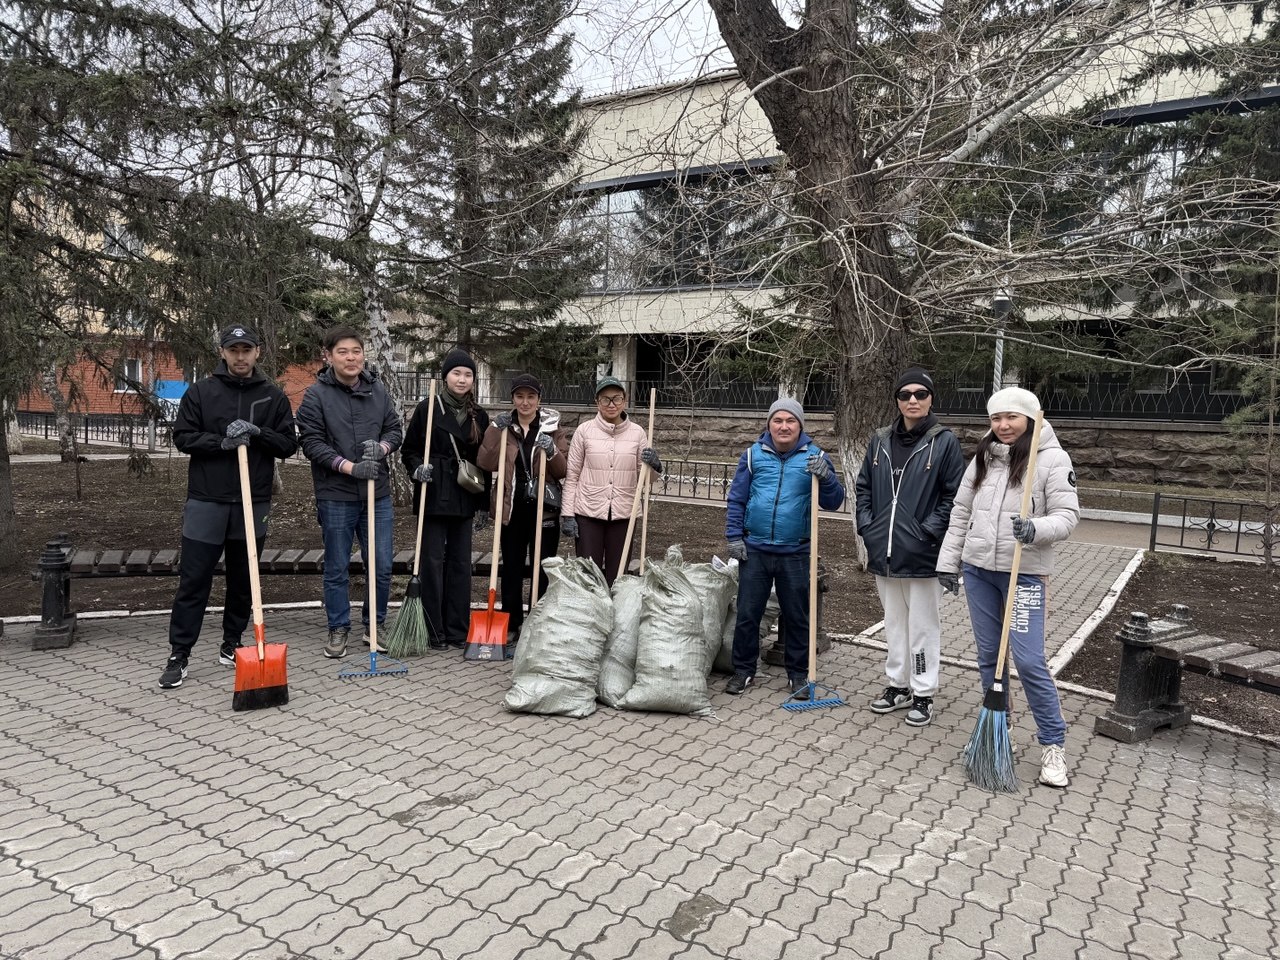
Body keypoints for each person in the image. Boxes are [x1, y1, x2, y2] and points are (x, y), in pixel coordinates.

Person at [936, 387, 1080, 788]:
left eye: (1011, 418)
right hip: (979, 571)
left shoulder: (1052, 459)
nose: (1003, 426)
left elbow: (1068, 516)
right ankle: (1001, 730)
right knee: (988, 657)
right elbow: (961, 511)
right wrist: (948, 564)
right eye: (996, 418)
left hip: (1025, 574)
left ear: (1030, 418)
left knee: (1029, 660)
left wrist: (1035, 529)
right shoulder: (984, 456)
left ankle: (1053, 744)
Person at [159, 324, 297, 689]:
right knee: (194, 579)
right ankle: (180, 652)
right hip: (207, 500)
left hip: (253, 501)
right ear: (222, 352)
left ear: (257, 353)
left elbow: (287, 444)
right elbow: (183, 436)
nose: (240, 356)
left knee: (243, 580)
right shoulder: (202, 393)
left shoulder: (272, 397)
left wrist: (257, 432)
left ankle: (232, 642)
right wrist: (221, 442)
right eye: (233, 349)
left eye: (246, 349)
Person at [854, 368, 965, 727]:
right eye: (905, 394)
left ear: (931, 398)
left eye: (920, 393)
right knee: (894, 623)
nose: (913, 400)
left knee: (922, 626)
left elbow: (954, 496)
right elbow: (864, 488)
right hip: (884, 552)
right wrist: (868, 527)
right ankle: (898, 685)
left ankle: (923, 692)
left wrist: (926, 531)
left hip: (921, 553)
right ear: (897, 400)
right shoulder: (881, 440)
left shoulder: (943, 441)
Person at [724, 398, 845, 699]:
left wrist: (828, 477)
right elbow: (737, 498)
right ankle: (743, 670)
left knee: (797, 615)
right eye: (777, 420)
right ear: (769, 424)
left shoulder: (814, 456)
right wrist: (734, 536)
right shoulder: (753, 455)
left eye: (790, 421)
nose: (783, 426)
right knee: (748, 612)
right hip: (756, 550)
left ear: (800, 426)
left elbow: (833, 501)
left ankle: (798, 674)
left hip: (796, 552)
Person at [297, 325, 402, 659]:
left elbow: (394, 429)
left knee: (381, 564)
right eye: (343, 352)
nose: (351, 357)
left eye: (356, 350)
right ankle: (338, 626)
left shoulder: (377, 391)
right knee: (338, 566)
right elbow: (312, 443)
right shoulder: (316, 395)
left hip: (377, 494)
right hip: (336, 495)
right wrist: (349, 467)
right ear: (328, 357)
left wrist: (383, 448)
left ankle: (375, 624)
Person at [401, 348, 490, 649]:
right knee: (431, 561)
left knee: (461, 563)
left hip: (465, 496)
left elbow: (485, 462)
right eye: (456, 373)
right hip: (434, 494)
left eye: (468, 374)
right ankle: (432, 628)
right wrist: (417, 468)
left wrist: (483, 505)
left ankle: (457, 628)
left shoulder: (479, 414)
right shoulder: (428, 408)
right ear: (445, 377)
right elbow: (409, 449)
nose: (462, 379)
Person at [476, 373, 568, 644]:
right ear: (513, 399)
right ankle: (513, 621)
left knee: (543, 568)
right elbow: (485, 461)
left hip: (544, 509)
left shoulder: (552, 427)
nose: (525, 402)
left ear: (539, 400)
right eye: (519, 396)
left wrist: (551, 450)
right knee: (512, 568)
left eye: (531, 397)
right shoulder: (504, 428)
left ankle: (538, 621)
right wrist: (494, 429)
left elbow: (562, 470)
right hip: (512, 509)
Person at [560, 376, 662, 585]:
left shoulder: (637, 434)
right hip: (588, 513)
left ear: (624, 401)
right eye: (605, 399)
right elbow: (572, 476)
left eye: (617, 398)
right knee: (588, 576)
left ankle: (614, 614)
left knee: (618, 576)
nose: (611, 404)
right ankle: (590, 614)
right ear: (597, 402)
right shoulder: (584, 431)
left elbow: (645, 479)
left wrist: (655, 466)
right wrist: (568, 514)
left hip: (624, 513)